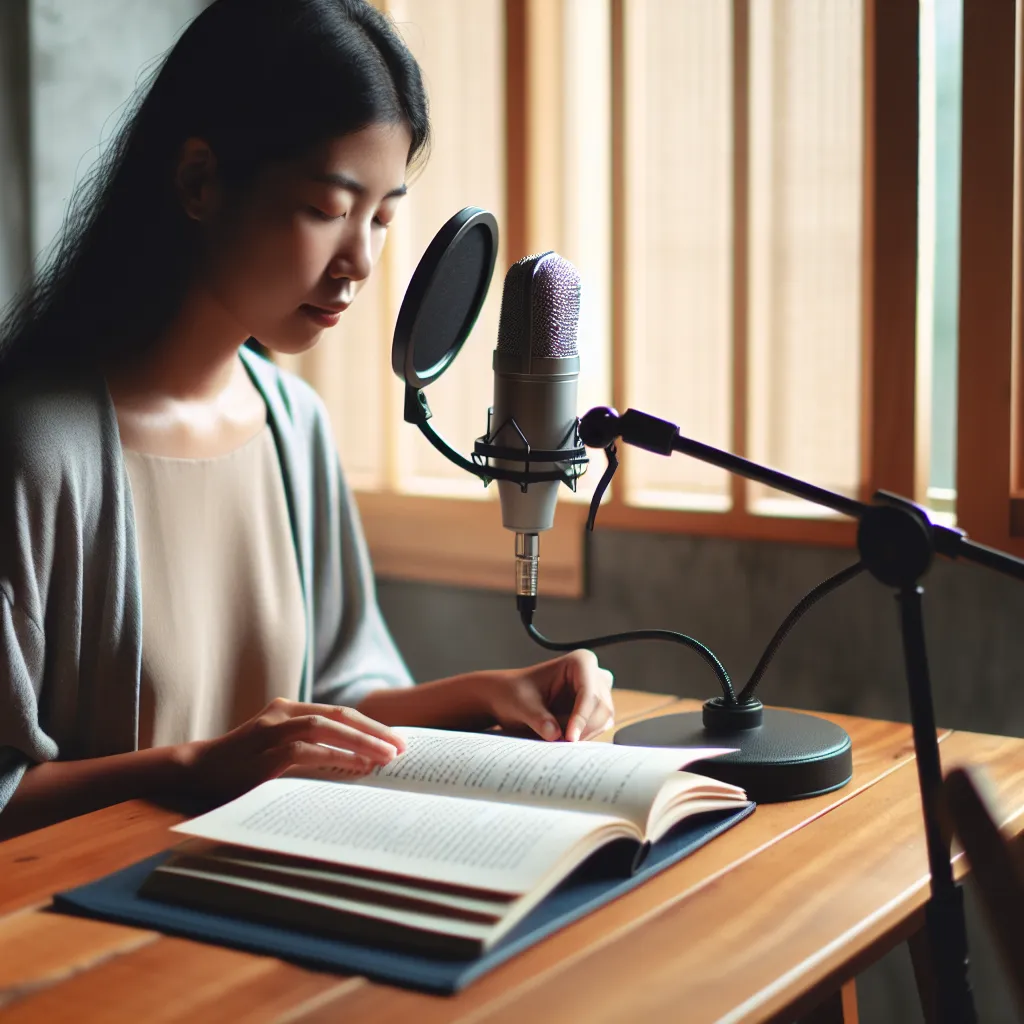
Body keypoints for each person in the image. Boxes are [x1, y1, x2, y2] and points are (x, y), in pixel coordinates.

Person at [0, 0, 613, 840]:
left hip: (272, 911)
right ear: (199, 182)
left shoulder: (292, 423)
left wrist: (493, 693)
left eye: (383, 217)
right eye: (328, 208)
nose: (359, 261)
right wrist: (192, 769)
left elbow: (330, 705)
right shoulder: (35, 451)